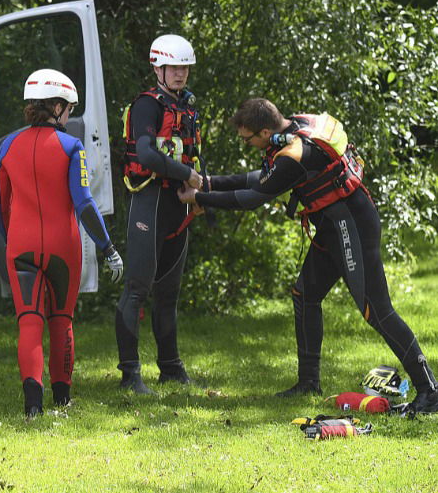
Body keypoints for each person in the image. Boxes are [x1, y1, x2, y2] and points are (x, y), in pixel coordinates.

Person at [178, 98, 438, 413]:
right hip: (332, 224)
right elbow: (260, 178)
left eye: (248, 139)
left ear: (264, 131)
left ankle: (429, 391)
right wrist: (208, 183)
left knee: (378, 311)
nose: (247, 145)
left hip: (351, 226)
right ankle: (308, 383)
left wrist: (201, 196)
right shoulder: (296, 127)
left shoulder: (294, 154)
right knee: (305, 294)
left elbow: (253, 197)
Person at [0, 69, 124, 418]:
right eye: (68, 108)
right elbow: (83, 203)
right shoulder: (72, 147)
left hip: (19, 246)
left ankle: (32, 406)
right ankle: (62, 400)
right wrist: (107, 247)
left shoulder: (7, 146)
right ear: (56, 107)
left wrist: (12, 241)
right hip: (62, 248)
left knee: (29, 321)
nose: (69, 114)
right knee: (61, 320)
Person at [115, 34, 205, 394]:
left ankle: (170, 368)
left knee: (169, 293)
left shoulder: (187, 108)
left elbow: (192, 154)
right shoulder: (146, 106)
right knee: (137, 289)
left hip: (178, 205)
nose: (180, 73)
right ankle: (130, 375)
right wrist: (187, 176)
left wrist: (198, 194)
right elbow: (149, 156)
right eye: (174, 67)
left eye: (184, 67)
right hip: (149, 201)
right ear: (158, 68)